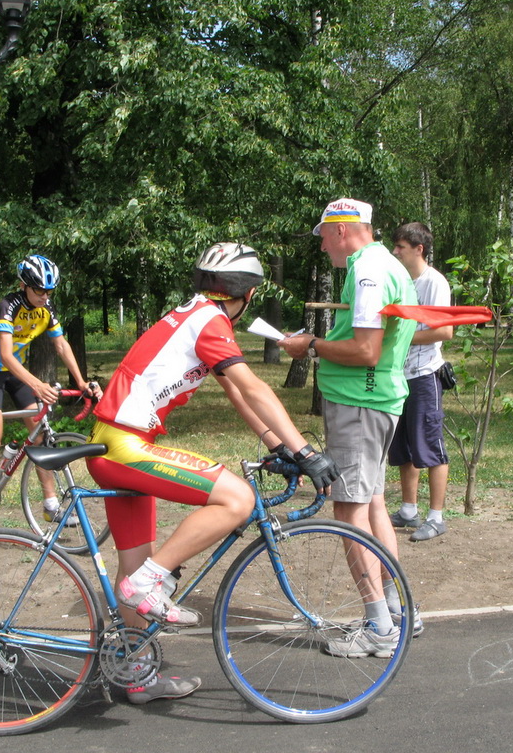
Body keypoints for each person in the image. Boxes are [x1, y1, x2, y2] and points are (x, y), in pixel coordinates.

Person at [86, 242, 339, 703]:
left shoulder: (196, 315)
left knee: (134, 564)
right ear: (247, 293)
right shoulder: (210, 322)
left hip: (114, 444)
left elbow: (237, 394)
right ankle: (150, 582)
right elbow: (253, 387)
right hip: (125, 446)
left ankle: (136, 674)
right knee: (238, 499)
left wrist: (279, 446)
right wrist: (306, 452)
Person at [279, 198, 420, 657]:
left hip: (361, 403)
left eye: (323, 235)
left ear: (341, 230)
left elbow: (365, 351)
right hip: (377, 401)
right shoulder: (386, 265)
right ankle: (398, 611)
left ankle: (379, 627)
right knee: (373, 504)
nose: (322, 246)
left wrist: (311, 345)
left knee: (349, 512)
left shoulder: (367, 272)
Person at [0, 254, 101, 530]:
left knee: (40, 438)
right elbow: (6, 355)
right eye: (39, 290)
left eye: (49, 291)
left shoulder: (46, 308)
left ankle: (50, 505)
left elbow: (61, 345)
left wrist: (81, 382)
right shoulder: (7, 306)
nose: (44, 296)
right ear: (23, 285)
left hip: (17, 374)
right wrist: (37, 384)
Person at [387, 222, 454, 542]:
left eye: (400, 247)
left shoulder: (435, 282)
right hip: (398, 375)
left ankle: (436, 517)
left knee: (430, 446)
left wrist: (402, 338)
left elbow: (444, 331)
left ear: (419, 249)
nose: (395, 252)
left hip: (425, 375)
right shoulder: (401, 280)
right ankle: (408, 511)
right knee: (403, 447)